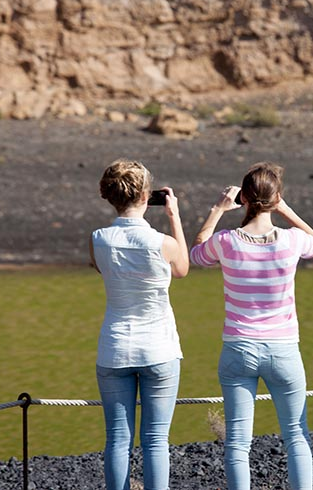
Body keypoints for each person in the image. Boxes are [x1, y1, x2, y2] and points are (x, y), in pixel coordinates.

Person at [190, 162, 313, 490]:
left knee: (237, 443)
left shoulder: (227, 241)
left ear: (243, 199)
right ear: (275, 198)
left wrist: (218, 210)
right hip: (284, 350)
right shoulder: (292, 241)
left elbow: (196, 253)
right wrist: (286, 209)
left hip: (238, 348)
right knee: (296, 436)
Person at [89, 159, 189, 490]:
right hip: (159, 349)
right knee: (156, 440)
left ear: (110, 196)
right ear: (147, 195)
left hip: (114, 349)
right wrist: (174, 216)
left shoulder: (98, 239)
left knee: (117, 438)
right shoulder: (163, 243)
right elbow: (182, 269)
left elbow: (100, 267)